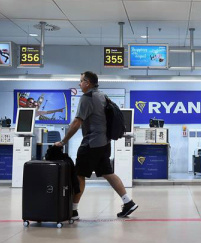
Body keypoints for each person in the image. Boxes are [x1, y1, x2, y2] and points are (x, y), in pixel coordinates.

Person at [54, 71, 138, 220]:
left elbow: (76, 122)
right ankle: (128, 202)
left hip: (91, 144)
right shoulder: (102, 96)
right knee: (108, 173)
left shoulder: (87, 98)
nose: (79, 84)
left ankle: (73, 211)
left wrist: (63, 141)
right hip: (104, 143)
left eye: (81, 81)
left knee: (79, 175)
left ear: (88, 83)